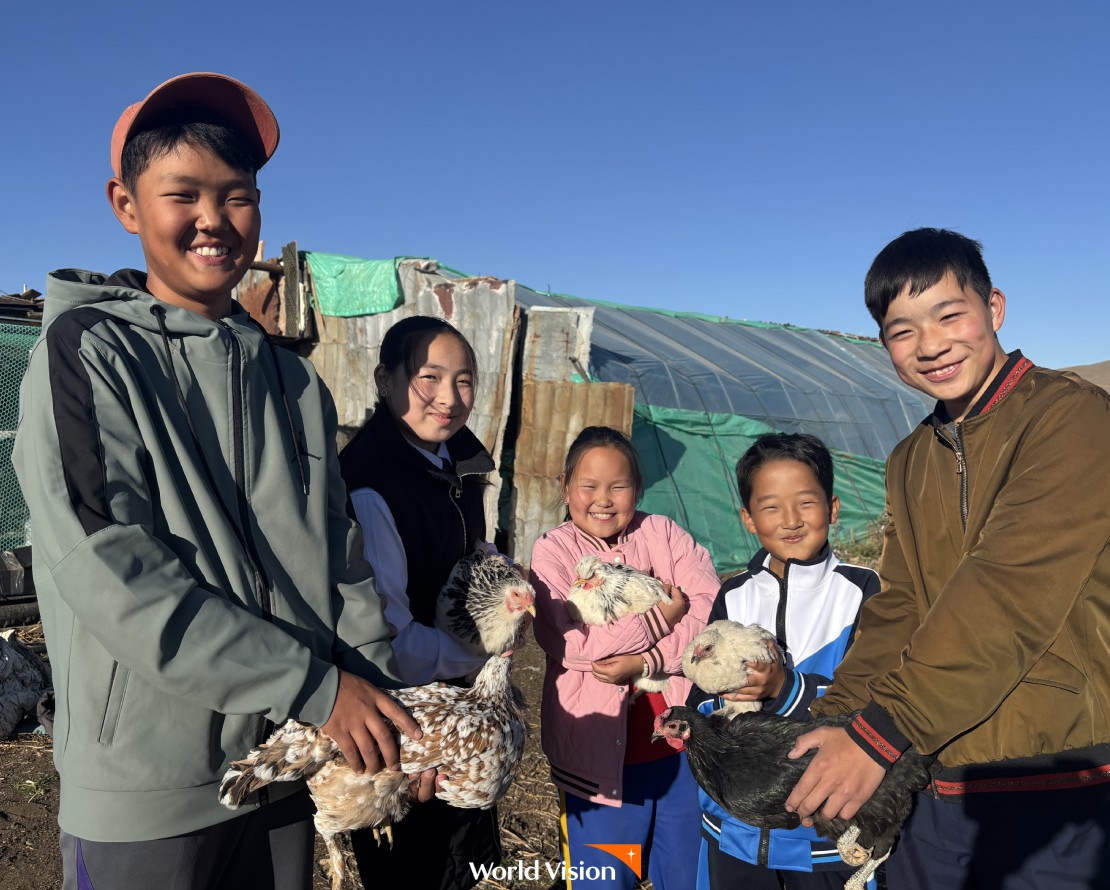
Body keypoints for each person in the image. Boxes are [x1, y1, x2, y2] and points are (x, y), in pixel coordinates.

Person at [12, 72, 433, 890]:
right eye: (184, 194)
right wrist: (314, 686)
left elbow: (339, 563)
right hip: (150, 788)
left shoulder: (294, 383)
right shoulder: (91, 353)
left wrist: (381, 710)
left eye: (237, 195)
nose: (213, 219)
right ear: (126, 206)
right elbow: (111, 568)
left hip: (285, 764)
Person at [785, 228, 1110, 888]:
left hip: (1055, 778)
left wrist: (876, 736)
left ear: (995, 308)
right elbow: (899, 606)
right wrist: (835, 724)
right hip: (931, 781)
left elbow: (1008, 591)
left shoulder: (1071, 419)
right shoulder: (911, 458)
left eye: (949, 314)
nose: (930, 345)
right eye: (902, 330)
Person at [338, 314, 502, 890]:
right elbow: (391, 643)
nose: (449, 399)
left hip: (452, 720)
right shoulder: (373, 484)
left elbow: (469, 560)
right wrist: (483, 658)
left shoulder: (450, 463)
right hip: (406, 732)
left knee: (462, 866)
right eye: (428, 378)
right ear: (386, 380)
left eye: (464, 381)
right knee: (420, 873)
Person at [685, 432, 880, 889]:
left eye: (806, 503)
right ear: (748, 518)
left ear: (832, 509)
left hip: (827, 835)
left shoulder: (862, 592)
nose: (790, 520)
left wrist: (784, 690)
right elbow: (700, 693)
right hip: (734, 831)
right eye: (771, 506)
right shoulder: (733, 594)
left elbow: (875, 699)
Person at [530, 425, 718, 890]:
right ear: (565, 486)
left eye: (618, 486)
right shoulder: (554, 552)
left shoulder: (662, 534)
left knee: (682, 875)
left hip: (679, 752)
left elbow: (709, 608)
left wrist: (649, 662)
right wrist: (659, 620)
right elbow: (575, 645)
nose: (603, 499)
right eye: (589, 485)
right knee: (605, 878)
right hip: (596, 766)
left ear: (638, 487)